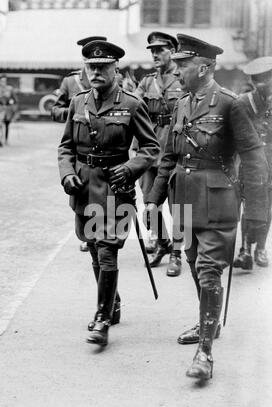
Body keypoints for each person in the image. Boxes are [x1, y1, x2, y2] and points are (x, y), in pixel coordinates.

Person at [145, 34, 269, 380]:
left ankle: (206, 353)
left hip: (218, 198)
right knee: (193, 261)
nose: (178, 69)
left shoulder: (232, 104)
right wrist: (154, 198)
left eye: (183, 65)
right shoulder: (183, 103)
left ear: (203, 67)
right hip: (184, 197)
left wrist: (256, 213)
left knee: (209, 268)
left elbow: (254, 159)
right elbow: (168, 153)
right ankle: (208, 324)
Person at [58, 39, 160, 347]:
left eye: (103, 67)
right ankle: (112, 301)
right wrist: (67, 175)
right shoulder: (78, 102)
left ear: (115, 68)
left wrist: (130, 168)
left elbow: (150, 147)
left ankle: (102, 318)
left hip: (116, 188)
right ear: (85, 68)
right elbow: (65, 147)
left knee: (106, 248)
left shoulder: (131, 103)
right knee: (91, 246)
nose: (96, 72)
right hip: (85, 187)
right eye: (91, 67)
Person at [52, 35, 107, 252]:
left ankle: (101, 240)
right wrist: (75, 113)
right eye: (87, 53)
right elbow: (54, 110)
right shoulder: (70, 82)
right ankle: (90, 236)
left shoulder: (110, 78)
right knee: (82, 190)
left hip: (104, 145)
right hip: (79, 142)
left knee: (104, 191)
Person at [135, 32, 184, 277]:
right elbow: (132, 112)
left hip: (175, 149)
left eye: (160, 50)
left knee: (178, 206)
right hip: (151, 149)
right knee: (149, 204)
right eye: (152, 51)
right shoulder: (146, 82)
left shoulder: (183, 78)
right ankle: (163, 243)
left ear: (172, 51)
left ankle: (177, 252)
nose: (154, 55)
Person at [233, 56, 272, 270]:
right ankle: (245, 249)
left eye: (264, 80)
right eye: (256, 80)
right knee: (249, 204)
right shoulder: (243, 102)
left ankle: (260, 248)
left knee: (266, 205)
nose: (261, 84)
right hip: (249, 162)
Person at [0, 75, 18, 146]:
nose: (3, 82)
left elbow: (15, 99)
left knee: (7, 125)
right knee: (0, 124)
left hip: (8, 110)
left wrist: (12, 102)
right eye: (2, 81)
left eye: (4, 81)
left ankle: (6, 140)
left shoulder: (9, 89)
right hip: (0, 109)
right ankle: (1, 140)